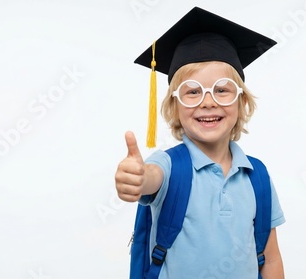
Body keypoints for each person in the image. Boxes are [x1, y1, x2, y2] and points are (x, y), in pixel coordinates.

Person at [115, 7, 285, 279]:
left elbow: (270, 258)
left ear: (241, 103)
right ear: (175, 104)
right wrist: (136, 177)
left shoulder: (258, 176)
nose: (208, 101)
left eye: (221, 90)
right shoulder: (168, 166)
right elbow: (151, 178)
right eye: (192, 92)